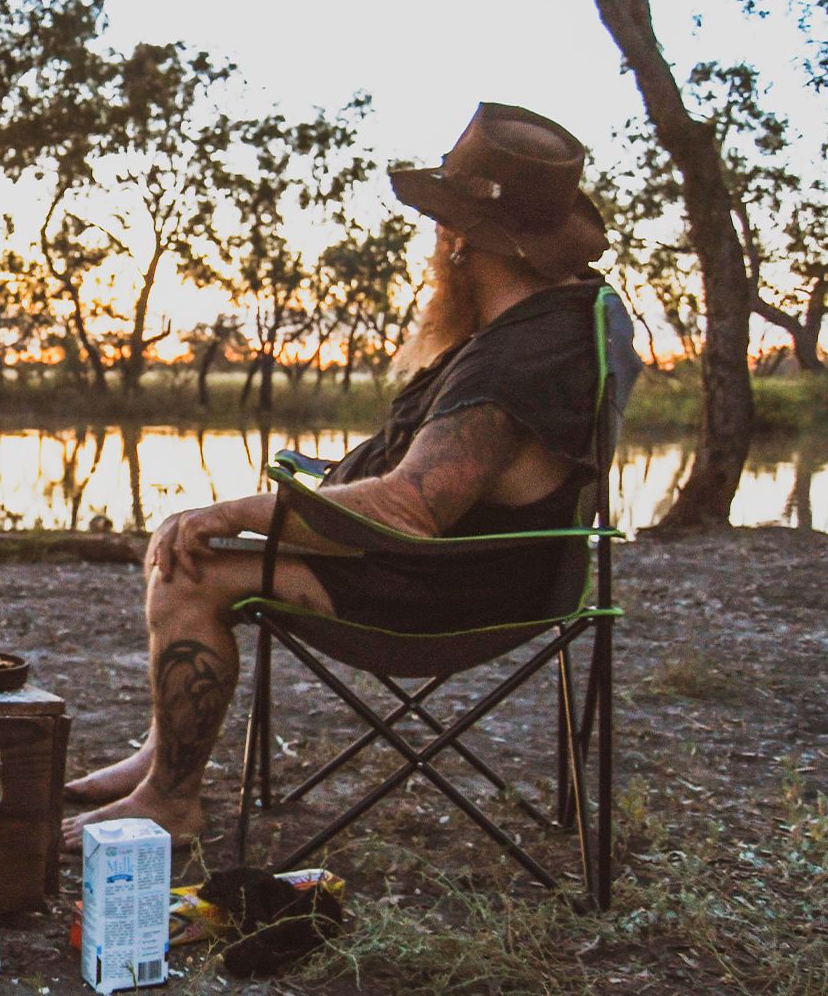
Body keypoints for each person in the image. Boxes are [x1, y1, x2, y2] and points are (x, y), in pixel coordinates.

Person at [62, 103, 641, 848]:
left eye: (443, 222)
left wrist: (233, 511)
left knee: (188, 567)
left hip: (441, 591)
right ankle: (160, 755)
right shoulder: (556, 325)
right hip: (499, 573)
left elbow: (410, 507)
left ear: (461, 240)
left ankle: (171, 799)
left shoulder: (516, 360)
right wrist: (311, 486)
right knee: (193, 538)